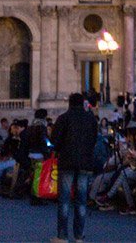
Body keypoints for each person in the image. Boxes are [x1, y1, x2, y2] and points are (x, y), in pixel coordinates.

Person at [50, 92, 98, 243]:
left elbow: (55, 142)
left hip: (67, 162)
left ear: (69, 103)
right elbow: (94, 139)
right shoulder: (90, 119)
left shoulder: (63, 118)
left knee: (64, 200)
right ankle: (79, 236)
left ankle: (62, 235)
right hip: (85, 163)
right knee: (81, 200)